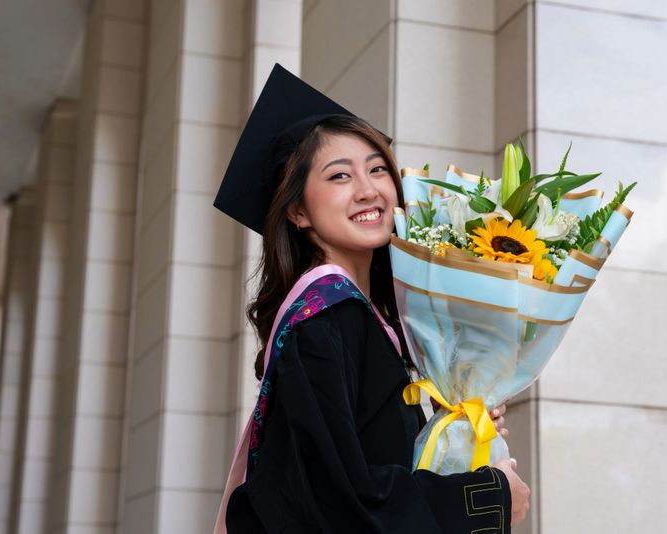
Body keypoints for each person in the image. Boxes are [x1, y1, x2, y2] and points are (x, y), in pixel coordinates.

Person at [213, 64, 530, 533]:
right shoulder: (324, 318)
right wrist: (487, 496)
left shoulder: (366, 319)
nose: (369, 190)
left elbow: (371, 464)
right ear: (298, 210)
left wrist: (452, 431)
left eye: (378, 169)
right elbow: (334, 498)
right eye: (340, 176)